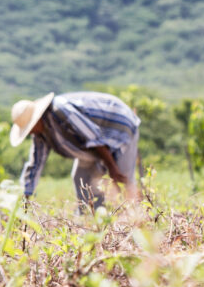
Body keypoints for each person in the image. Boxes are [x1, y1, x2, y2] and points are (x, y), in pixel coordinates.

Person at [10, 91, 140, 212]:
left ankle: (134, 218)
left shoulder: (60, 111)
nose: (30, 132)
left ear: (37, 119)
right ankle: (92, 219)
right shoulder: (40, 134)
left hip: (119, 126)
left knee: (121, 178)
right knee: (81, 178)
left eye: (30, 128)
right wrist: (26, 198)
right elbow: (35, 165)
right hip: (94, 145)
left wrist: (112, 167)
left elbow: (94, 138)